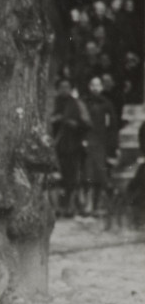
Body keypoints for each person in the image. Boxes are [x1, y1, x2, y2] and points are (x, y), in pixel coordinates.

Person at [50, 78, 90, 218]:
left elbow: (87, 124)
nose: (64, 89)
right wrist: (55, 120)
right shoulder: (53, 103)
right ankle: (57, 208)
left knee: (72, 179)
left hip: (74, 146)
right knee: (56, 179)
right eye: (61, 87)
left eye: (67, 87)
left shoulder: (77, 104)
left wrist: (75, 124)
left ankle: (70, 207)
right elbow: (47, 120)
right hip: (57, 146)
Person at [82, 76, 118, 215]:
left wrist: (112, 145)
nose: (95, 88)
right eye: (92, 85)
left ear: (102, 87)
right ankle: (88, 204)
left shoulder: (107, 104)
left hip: (102, 143)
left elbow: (112, 126)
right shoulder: (84, 103)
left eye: (98, 85)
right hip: (87, 142)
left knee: (100, 173)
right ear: (89, 87)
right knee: (87, 173)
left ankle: (99, 205)